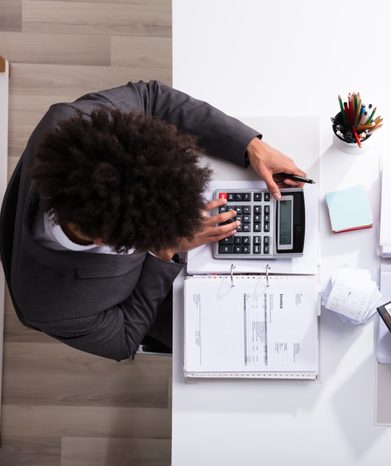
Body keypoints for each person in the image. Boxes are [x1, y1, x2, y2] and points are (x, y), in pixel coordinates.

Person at [7, 80, 306, 361]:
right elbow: (124, 339)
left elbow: (149, 97)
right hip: (163, 301)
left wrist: (251, 147)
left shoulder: (74, 121)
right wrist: (164, 251)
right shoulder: (52, 308)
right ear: (110, 242)